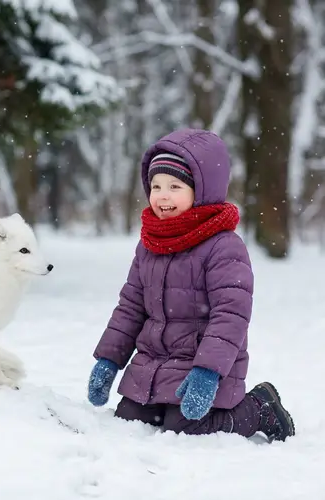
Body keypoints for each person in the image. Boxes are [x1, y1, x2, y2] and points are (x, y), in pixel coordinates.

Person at [87, 128, 295, 442]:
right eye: (156, 186)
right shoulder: (149, 244)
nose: (162, 195)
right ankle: (164, 402)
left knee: (187, 428)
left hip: (203, 368)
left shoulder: (223, 246)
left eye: (174, 186)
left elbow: (231, 315)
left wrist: (208, 371)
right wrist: (109, 359)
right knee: (129, 419)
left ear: (201, 190)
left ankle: (259, 408)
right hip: (153, 366)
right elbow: (130, 306)